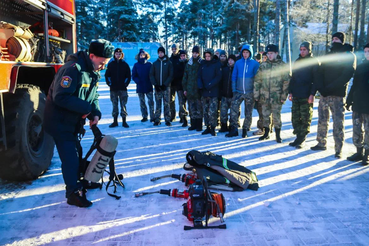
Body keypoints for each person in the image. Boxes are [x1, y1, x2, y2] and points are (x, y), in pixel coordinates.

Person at [44, 39, 114, 207]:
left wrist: (95, 112)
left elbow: (92, 95)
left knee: (77, 152)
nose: (103, 66)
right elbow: (60, 97)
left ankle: (84, 181)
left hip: (72, 123)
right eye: (102, 62)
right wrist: (87, 109)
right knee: (71, 158)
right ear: (92, 56)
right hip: (59, 123)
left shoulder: (91, 71)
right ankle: (73, 193)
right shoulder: (72, 69)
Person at [311, 32, 356, 158]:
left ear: (342, 40)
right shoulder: (329, 54)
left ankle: (338, 148)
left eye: (337, 39)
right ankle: (321, 142)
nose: (334, 40)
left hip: (337, 94)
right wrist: (321, 87)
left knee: (338, 122)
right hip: (324, 94)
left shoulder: (348, 55)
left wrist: (331, 87)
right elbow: (320, 72)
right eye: (333, 39)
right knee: (322, 119)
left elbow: (346, 75)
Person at [254, 44, 290, 143]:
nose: (269, 55)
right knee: (265, 115)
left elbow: (286, 82)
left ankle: (278, 135)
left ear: (276, 53)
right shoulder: (263, 66)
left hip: (276, 96)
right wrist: (256, 94)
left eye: (271, 53)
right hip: (264, 96)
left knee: (276, 116)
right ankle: (266, 133)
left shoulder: (282, 66)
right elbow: (257, 80)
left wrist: (283, 96)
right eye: (268, 54)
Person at [288, 42, 320, 148]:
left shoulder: (314, 62)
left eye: (304, 50)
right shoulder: (297, 61)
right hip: (296, 93)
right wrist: (290, 91)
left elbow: (316, 80)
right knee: (295, 117)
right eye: (301, 50)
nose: (302, 52)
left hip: (306, 95)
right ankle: (298, 136)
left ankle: (302, 138)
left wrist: (312, 94)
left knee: (305, 117)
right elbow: (293, 78)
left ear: (309, 50)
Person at [226, 44, 260, 138]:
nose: (245, 54)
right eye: (244, 52)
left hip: (249, 92)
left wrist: (255, 91)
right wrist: (234, 89)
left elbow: (257, 79)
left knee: (248, 112)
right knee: (234, 110)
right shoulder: (238, 63)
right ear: (241, 53)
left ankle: (245, 129)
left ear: (250, 53)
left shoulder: (255, 64)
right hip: (238, 92)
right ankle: (234, 128)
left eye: (247, 52)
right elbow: (234, 76)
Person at [345, 43, 369, 165]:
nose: (367, 54)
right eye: (365, 51)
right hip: (358, 104)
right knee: (357, 130)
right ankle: (358, 152)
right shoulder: (361, 66)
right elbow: (354, 85)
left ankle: (367, 155)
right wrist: (349, 100)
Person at [197, 48, 222, 136]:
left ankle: (213, 127)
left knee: (213, 111)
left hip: (213, 91)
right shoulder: (203, 64)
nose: (207, 57)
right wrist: (200, 85)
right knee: (205, 110)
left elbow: (218, 77)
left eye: (209, 56)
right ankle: (207, 127)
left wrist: (210, 84)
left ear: (211, 56)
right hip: (204, 91)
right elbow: (199, 76)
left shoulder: (216, 64)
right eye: (206, 56)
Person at [105, 48, 131, 128]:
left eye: (119, 54)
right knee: (114, 105)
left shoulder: (125, 65)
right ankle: (115, 121)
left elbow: (128, 76)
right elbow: (107, 75)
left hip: (123, 89)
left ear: (121, 55)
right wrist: (109, 83)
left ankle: (124, 121)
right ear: (114, 54)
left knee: (123, 105)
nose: (118, 55)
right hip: (113, 89)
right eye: (116, 54)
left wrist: (125, 84)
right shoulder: (111, 64)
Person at [150, 46, 173, 126]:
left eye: (162, 52)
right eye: (159, 52)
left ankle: (167, 119)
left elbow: (171, 75)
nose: (160, 54)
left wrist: (165, 84)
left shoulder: (169, 63)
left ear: (164, 53)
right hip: (157, 87)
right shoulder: (155, 63)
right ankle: (157, 119)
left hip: (166, 87)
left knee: (167, 104)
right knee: (158, 103)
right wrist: (155, 84)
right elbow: (151, 75)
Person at [182, 46, 203, 131]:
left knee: (199, 108)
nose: (195, 54)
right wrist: (185, 89)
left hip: (198, 90)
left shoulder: (201, 62)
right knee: (191, 108)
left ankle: (199, 125)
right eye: (193, 53)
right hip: (190, 89)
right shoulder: (189, 63)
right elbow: (185, 77)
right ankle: (193, 124)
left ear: (199, 53)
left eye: (196, 53)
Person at [132, 49, 154, 122]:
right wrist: (138, 81)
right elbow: (134, 75)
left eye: (143, 55)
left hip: (148, 86)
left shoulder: (149, 64)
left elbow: (153, 74)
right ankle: (144, 116)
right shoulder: (136, 65)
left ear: (146, 55)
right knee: (142, 102)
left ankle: (152, 116)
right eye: (141, 55)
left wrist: (151, 81)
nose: (142, 56)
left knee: (151, 102)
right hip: (140, 86)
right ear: (139, 56)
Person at [219, 54, 236, 133]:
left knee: (233, 113)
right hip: (224, 95)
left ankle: (232, 127)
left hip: (233, 95)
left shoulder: (236, 70)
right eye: (229, 60)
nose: (230, 61)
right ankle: (224, 126)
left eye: (232, 60)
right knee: (223, 112)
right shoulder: (224, 69)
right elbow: (221, 81)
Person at [169, 43, 180, 122]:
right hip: (171, 83)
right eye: (173, 48)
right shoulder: (170, 59)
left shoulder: (181, 58)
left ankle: (182, 116)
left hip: (179, 83)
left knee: (181, 101)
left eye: (175, 48)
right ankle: (172, 115)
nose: (174, 50)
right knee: (171, 101)